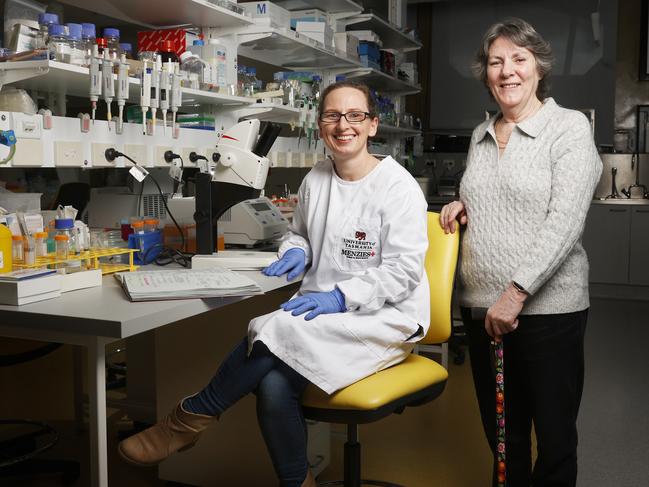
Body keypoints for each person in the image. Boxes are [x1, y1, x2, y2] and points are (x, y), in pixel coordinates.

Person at [118, 81, 430, 487]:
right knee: (272, 384)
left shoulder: (397, 187)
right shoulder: (317, 178)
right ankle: (298, 482)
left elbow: (403, 271)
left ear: (372, 125)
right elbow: (298, 232)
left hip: (385, 316)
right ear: (320, 126)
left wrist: (340, 296)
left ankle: (188, 418)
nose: (343, 125)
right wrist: (295, 250)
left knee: (271, 328)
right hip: (323, 313)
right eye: (332, 116)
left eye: (355, 116)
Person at [440, 17, 602, 487]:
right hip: (482, 312)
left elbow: (564, 222)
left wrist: (516, 292)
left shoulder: (567, 128)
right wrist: (462, 206)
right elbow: (495, 198)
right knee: (503, 440)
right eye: (495, 62)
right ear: (485, 73)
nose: (506, 71)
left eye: (518, 59)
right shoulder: (480, 134)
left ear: (538, 67)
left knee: (553, 442)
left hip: (547, 312)